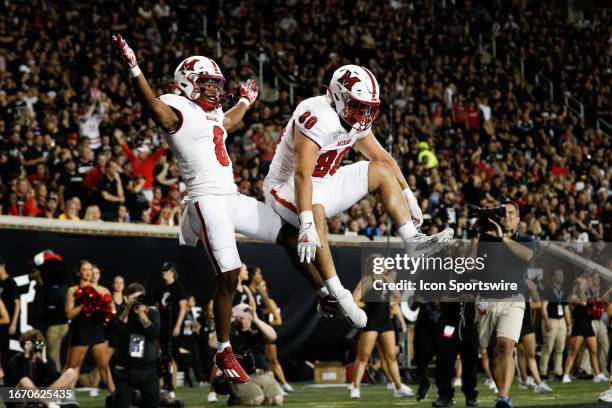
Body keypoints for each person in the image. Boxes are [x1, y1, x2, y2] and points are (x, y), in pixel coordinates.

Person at [112, 34, 336, 384]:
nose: (216, 90)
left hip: (230, 196)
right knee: (231, 276)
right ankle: (223, 349)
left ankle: (323, 294)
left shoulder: (210, 113)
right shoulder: (176, 109)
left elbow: (227, 123)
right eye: (208, 83)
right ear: (187, 83)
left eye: (217, 84)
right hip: (206, 200)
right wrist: (134, 68)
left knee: (291, 237)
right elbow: (153, 108)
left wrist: (246, 101)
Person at [263, 64, 453, 328]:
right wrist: (306, 224)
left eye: (368, 106)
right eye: (358, 105)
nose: (364, 113)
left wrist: (409, 197)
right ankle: (338, 293)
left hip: (326, 182)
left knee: (381, 171)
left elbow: (382, 157)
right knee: (315, 210)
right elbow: (302, 175)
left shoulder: (352, 118)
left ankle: (412, 240)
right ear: (339, 96)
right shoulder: (315, 115)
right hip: (286, 186)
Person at [473, 201, 536, 408]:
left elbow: (527, 256)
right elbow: (469, 264)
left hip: (513, 300)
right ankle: (503, 394)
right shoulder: (485, 239)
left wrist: (503, 238)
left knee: (506, 346)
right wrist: (475, 235)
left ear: (518, 218)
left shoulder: (525, 240)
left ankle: (503, 396)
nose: (507, 216)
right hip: (487, 300)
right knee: (492, 353)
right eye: (503, 213)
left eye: (511, 213)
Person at [349, 255, 413, 400]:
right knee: (363, 356)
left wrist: (387, 305)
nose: (384, 265)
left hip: (386, 322)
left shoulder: (388, 280)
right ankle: (355, 387)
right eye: (380, 263)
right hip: (371, 322)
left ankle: (398, 387)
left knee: (391, 356)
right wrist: (368, 306)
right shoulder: (366, 281)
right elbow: (354, 300)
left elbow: (398, 297)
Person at [211, 304, 284, 406]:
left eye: (244, 316)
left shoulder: (257, 331)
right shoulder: (230, 333)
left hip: (262, 374)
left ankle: (251, 394)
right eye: (239, 317)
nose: (242, 320)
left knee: (277, 400)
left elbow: (273, 336)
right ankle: (235, 398)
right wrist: (227, 322)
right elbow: (212, 343)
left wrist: (256, 320)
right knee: (257, 400)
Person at [64, 260, 115, 396]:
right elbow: (69, 313)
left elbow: (109, 313)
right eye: (85, 270)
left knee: (104, 365)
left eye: (89, 269)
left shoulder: (99, 290)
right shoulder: (73, 290)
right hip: (80, 331)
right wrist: (82, 305)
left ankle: (114, 395)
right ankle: (62, 396)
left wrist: (106, 313)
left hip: (96, 331)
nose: (88, 272)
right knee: (71, 367)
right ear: (78, 272)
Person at [111, 283, 161, 408]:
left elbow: (153, 333)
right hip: (126, 369)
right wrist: (128, 308)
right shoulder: (122, 311)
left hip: (147, 369)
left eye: (140, 297)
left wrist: (141, 314)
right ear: (127, 298)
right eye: (134, 298)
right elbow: (118, 329)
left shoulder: (151, 312)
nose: (137, 301)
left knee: (152, 404)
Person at [6, 329, 78, 408]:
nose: (34, 347)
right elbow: (21, 380)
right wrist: (26, 356)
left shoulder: (45, 359)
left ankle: (42, 404)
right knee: (25, 380)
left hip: (40, 396)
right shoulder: (16, 360)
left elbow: (55, 378)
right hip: (19, 399)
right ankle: (51, 405)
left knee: (71, 373)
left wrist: (44, 361)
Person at [431, 303, 479, 407]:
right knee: (445, 359)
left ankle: (470, 395)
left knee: (470, 360)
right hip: (448, 322)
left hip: (469, 323)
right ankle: (445, 395)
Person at [562, 276, 608, 383]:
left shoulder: (588, 295)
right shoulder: (573, 296)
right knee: (574, 351)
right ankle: (566, 375)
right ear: (578, 285)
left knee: (593, 351)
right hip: (578, 325)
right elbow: (582, 302)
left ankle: (597, 374)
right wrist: (582, 289)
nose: (586, 285)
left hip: (588, 325)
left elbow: (594, 305)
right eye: (583, 283)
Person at [155, 262, 187, 394]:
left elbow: (183, 307)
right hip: (163, 326)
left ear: (172, 272)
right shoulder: (160, 289)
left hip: (173, 325)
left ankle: (175, 381)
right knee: (165, 355)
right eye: (163, 270)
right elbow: (157, 308)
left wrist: (178, 325)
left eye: (167, 270)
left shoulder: (178, 287)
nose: (164, 273)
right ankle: (167, 383)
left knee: (172, 353)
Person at [539, 268, 570, 380]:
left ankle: (558, 371)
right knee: (548, 348)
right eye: (558, 275)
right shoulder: (547, 290)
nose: (561, 277)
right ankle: (543, 372)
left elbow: (566, 308)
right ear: (553, 277)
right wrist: (546, 321)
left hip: (561, 320)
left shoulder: (564, 291)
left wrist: (569, 323)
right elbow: (544, 307)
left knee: (560, 348)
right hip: (551, 319)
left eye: (562, 275)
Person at [517, 301, 553, 393]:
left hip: (522, 324)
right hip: (521, 324)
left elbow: (538, 303)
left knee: (524, 354)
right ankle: (536, 383)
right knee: (526, 354)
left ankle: (527, 381)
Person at [0, 255, 20, 379]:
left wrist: (13, 323)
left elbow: (18, 303)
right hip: (1, 320)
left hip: (6, 322)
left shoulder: (11, 282)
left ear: (2, 266)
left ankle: (8, 379)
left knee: (5, 351)